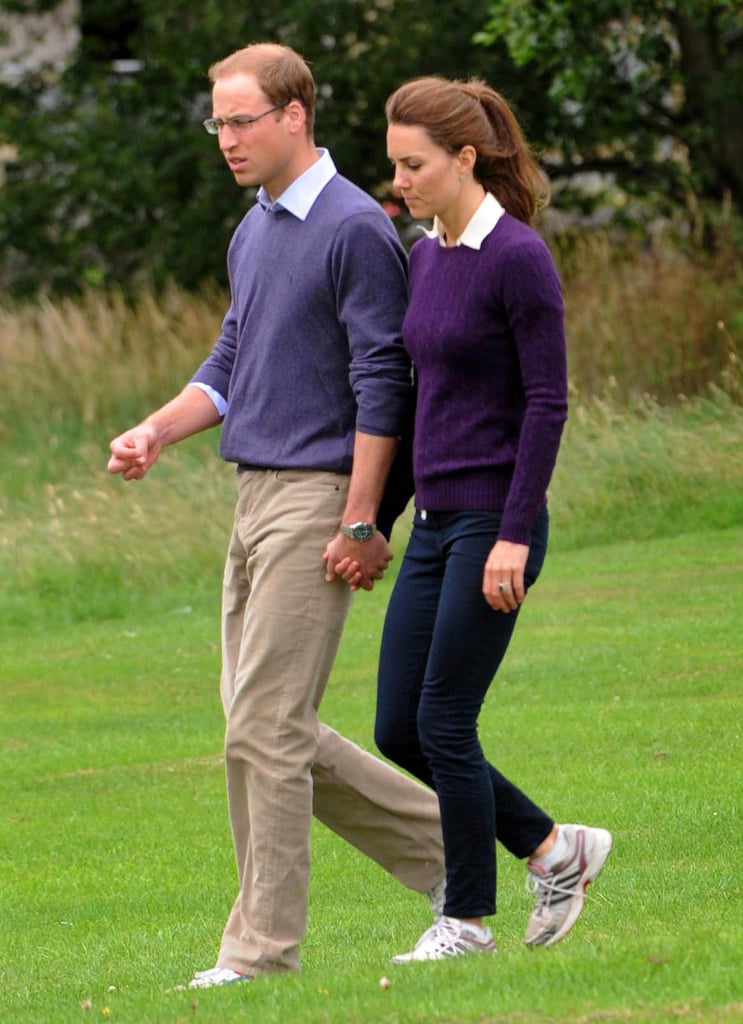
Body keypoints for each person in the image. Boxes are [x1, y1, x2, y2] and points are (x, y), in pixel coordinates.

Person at [107, 43, 445, 989]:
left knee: (262, 730)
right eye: (217, 122)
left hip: (316, 498)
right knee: (268, 727)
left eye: (241, 119)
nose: (226, 139)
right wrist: (157, 430)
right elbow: (231, 359)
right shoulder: (254, 228)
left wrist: (361, 517)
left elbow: (386, 381)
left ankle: (260, 955)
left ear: (295, 115)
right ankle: (467, 863)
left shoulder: (352, 229)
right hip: (251, 493)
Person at [370, 75, 612, 961]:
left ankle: (464, 920)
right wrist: (376, 521)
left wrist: (513, 532)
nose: (400, 180)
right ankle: (555, 848)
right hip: (434, 522)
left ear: (464, 157)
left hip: (493, 523)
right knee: (397, 724)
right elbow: (415, 401)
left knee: (443, 720)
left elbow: (546, 403)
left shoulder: (517, 257)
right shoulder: (424, 255)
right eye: (395, 163)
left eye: (415, 164)